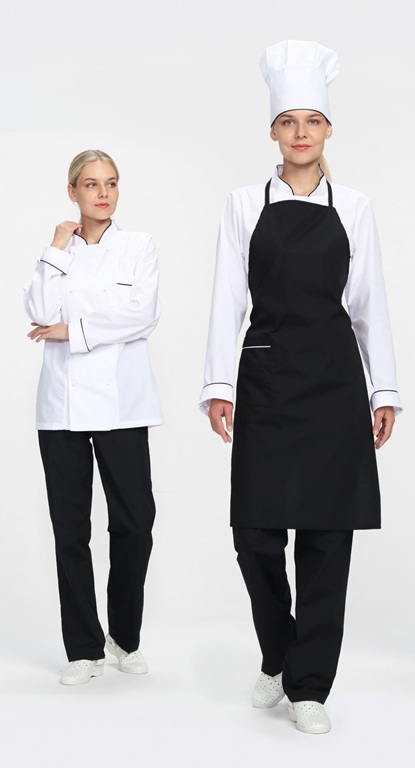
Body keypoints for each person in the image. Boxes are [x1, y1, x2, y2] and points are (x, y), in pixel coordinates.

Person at [200, 40, 401, 734]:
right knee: (255, 533)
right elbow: (227, 299)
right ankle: (279, 653)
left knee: (327, 536)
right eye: (289, 122)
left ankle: (309, 685)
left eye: (312, 121)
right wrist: (218, 384)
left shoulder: (356, 205)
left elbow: (370, 303)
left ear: (328, 130)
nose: (301, 133)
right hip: (265, 376)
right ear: (273, 132)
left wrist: (384, 391)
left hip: (335, 382)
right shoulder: (241, 203)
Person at [24, 150, 163, 685]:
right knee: (69, 530)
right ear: (72, 191)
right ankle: (83, 649)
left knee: (135, 523)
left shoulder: (138, 246)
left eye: (110, 183)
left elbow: (142, 316)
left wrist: (73, 330)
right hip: (61, 406)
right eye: (90, 184)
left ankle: (124, 637)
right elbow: (40, 311)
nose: (102, 193)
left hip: (123, 403)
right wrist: (56, 249)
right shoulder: (56, 253)